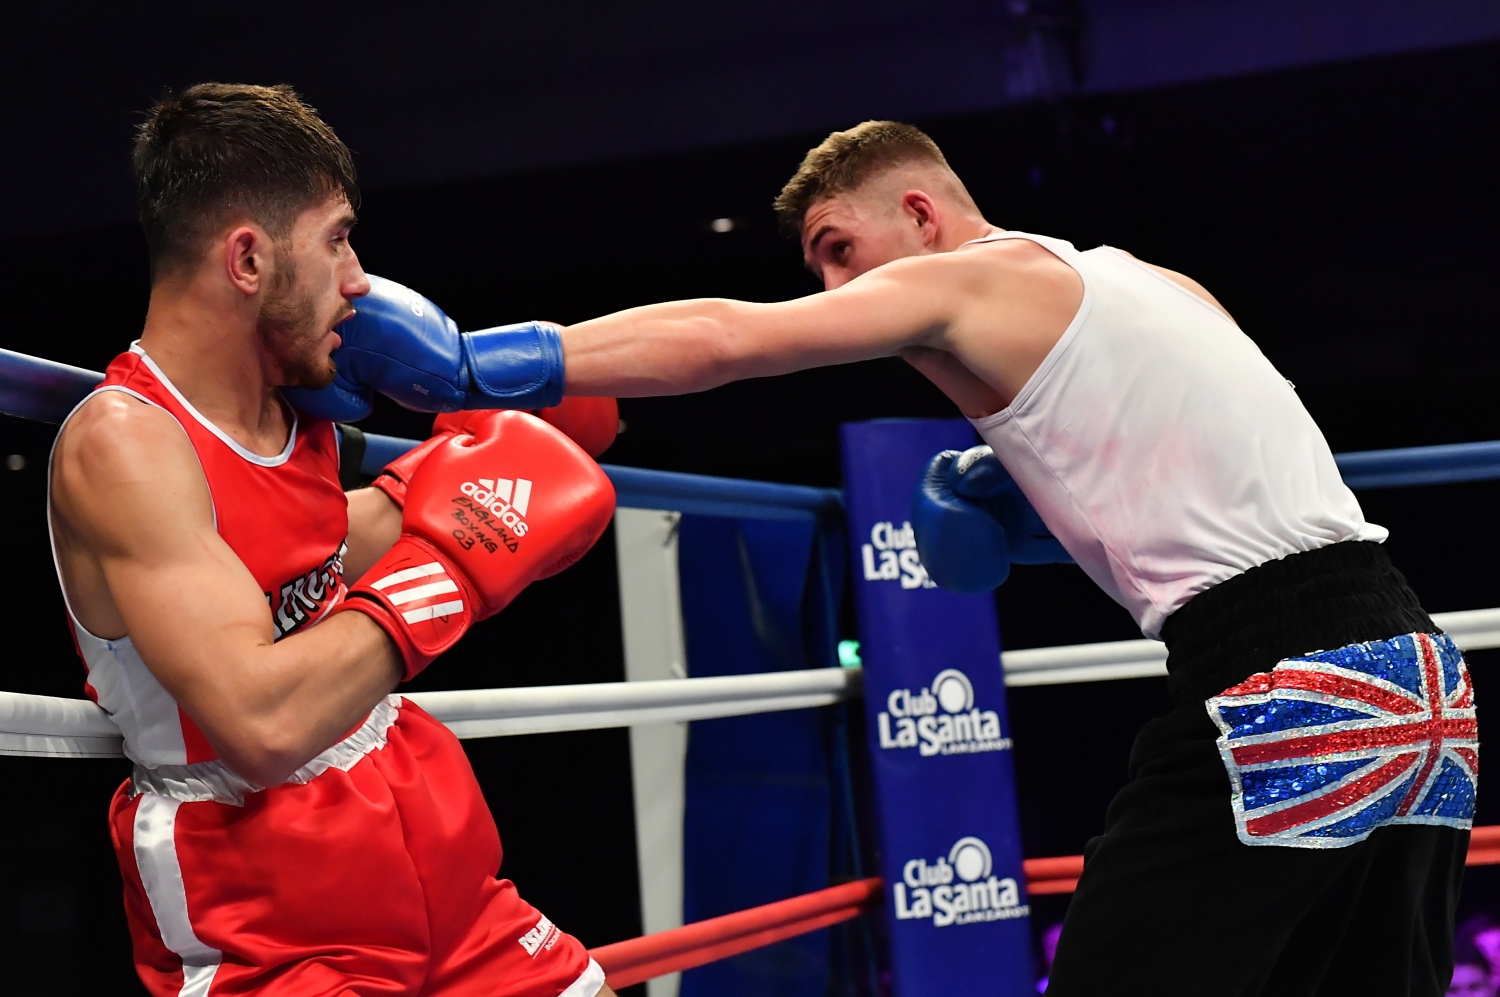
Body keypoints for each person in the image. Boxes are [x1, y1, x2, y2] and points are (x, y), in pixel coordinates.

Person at [308, 120, 1476, 995]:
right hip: (1422, 684)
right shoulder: (1152, 283)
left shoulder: (968, 278)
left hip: (1286, 694)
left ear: (921, 215)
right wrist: (1025, 506)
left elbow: (727, 338)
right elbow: (1225, 488)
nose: (832, 289)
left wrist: (483, 365)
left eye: (837, 249)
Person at [48, 83, 618, 997]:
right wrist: (455, 568)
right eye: (337, 237)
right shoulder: (126, 444)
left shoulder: (298, 407)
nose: (357, 278)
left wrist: (469, 472)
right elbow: (261, 723)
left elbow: (305, 551)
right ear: (247, 259)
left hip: (440, 865)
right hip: (275, 924)